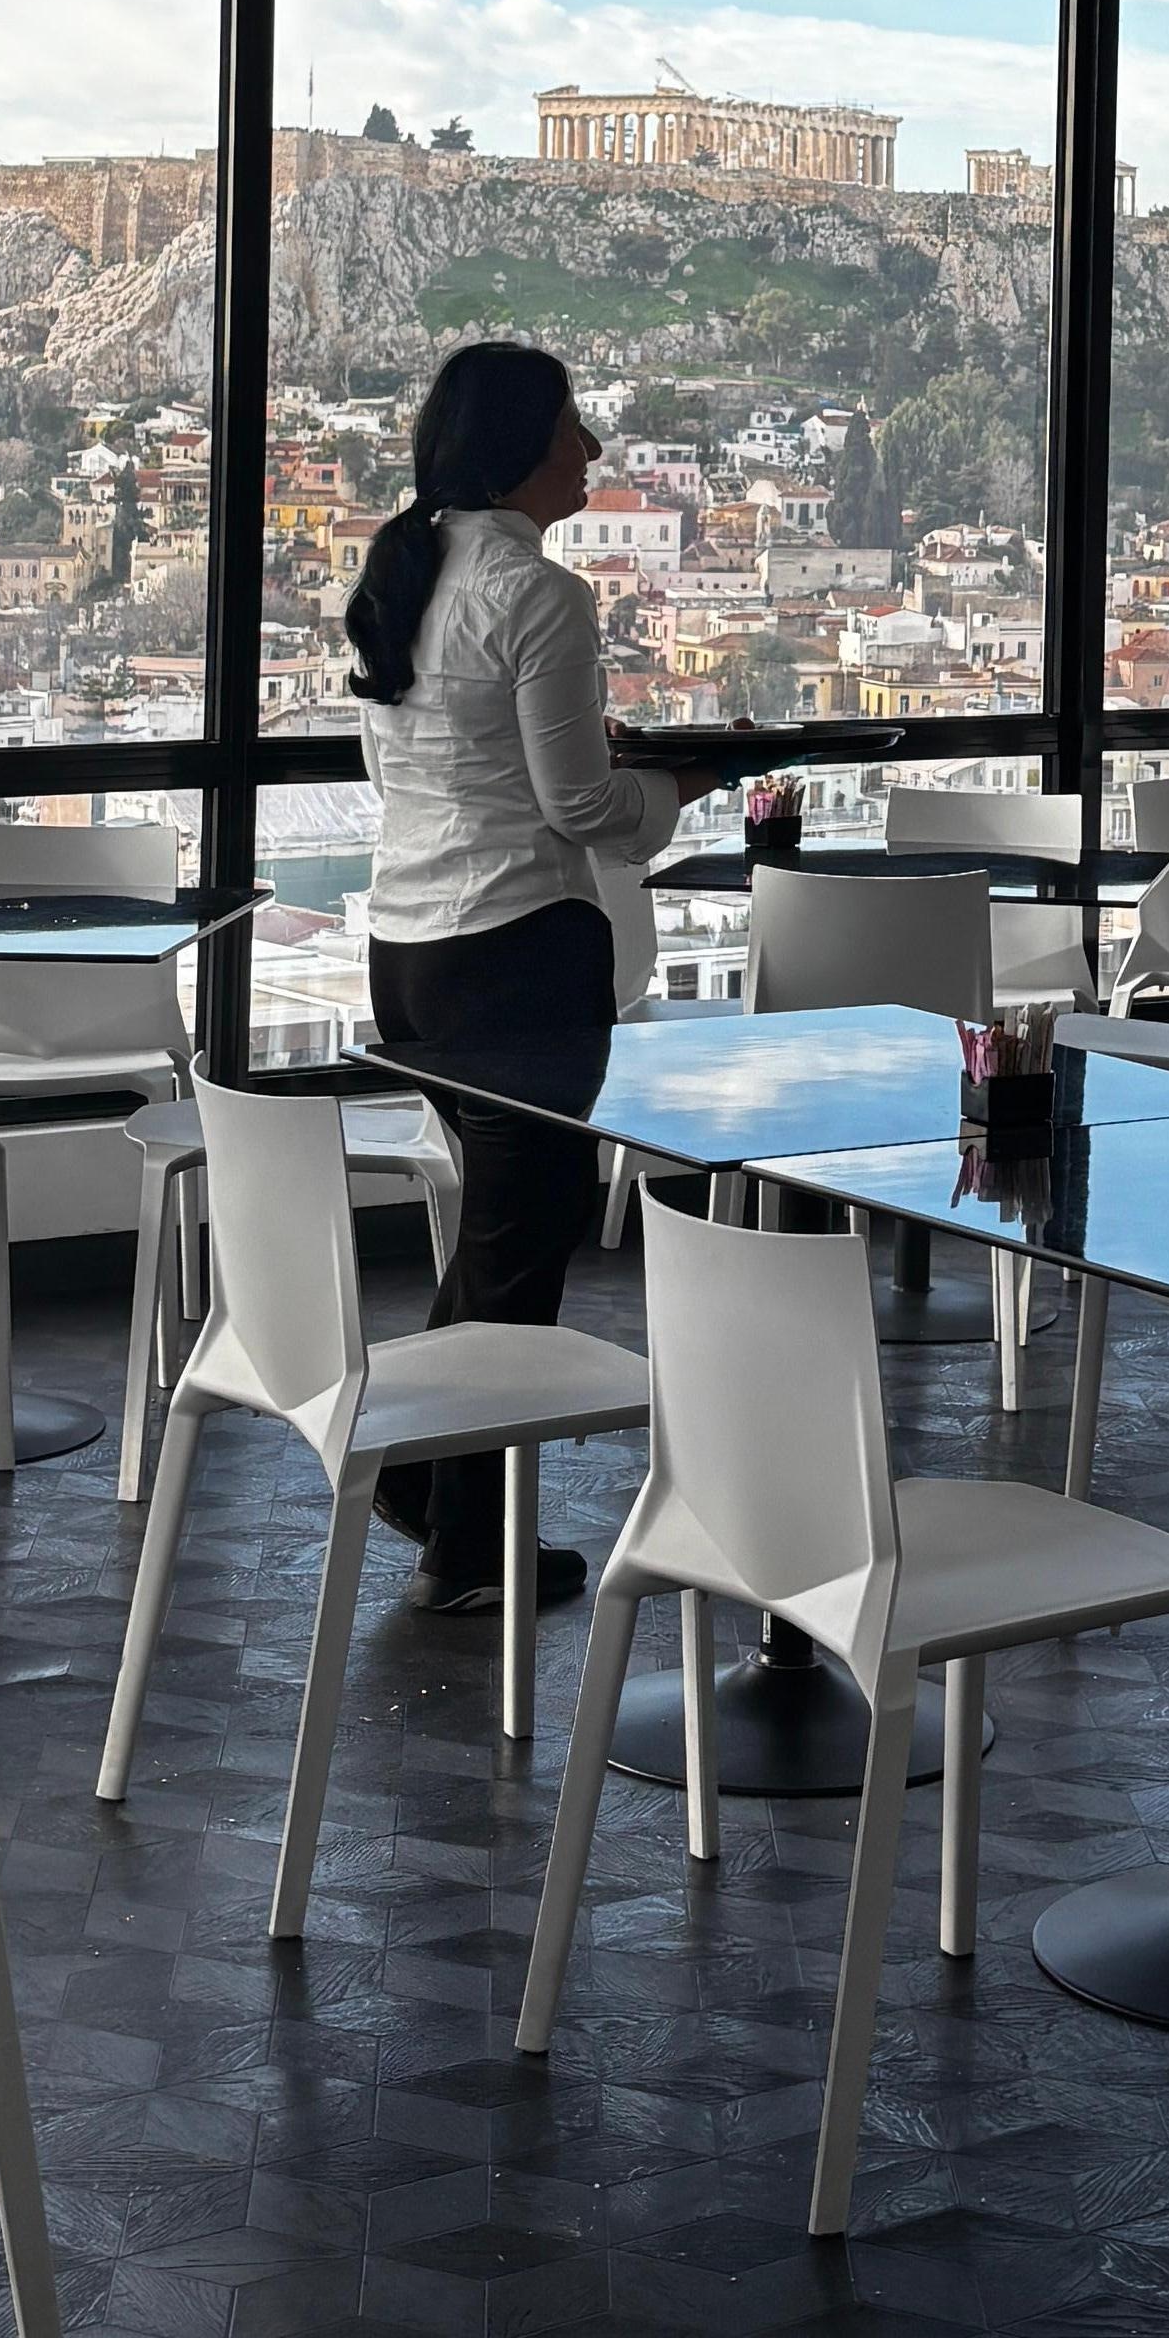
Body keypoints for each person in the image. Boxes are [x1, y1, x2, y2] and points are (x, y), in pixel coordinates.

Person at [344, 343, 751, 1612]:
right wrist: (692, 782)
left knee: (498, 1234)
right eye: (576, 428)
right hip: (517, 951)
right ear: (522, 447)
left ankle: (424, 1478)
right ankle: (471, 1548)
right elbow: (580, 809)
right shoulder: (539, 592)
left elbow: (424, 766)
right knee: (522, 1251)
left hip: (409, 952)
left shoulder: (405, 571)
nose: (594, 452)